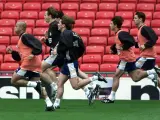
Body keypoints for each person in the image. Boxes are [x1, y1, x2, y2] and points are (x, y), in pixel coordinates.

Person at [52, 15, 107, 108]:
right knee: (60, 83)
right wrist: (75, 56)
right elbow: (82, 47)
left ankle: (95, 77)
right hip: (68, 62)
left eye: (60, 23)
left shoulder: (65, 33)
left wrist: (58, 50)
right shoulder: (74, 33)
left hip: (70, 63)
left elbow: (68, 45)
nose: (58, 24)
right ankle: (56, 104)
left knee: (75, 86)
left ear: (63, 25)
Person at [101, 16, 158, 103]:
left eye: (111, 24)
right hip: (128, 59)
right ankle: (151, 72)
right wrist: (114, 49)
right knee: (135, 78)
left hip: (126, 59)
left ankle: (111, 97)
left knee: (116, 76)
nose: (110, 25)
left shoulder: (121, 33)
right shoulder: (118, 34)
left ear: (115, 25)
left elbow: (130, 41)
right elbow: (123, 44)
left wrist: (122, 48)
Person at [6, 21, 54, 111]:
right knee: (38, 88)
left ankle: (33, 84)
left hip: (28, 63)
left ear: (21, 28)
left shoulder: (25, 36)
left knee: (14, 81)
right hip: (35, 64)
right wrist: (12, 52)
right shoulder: (22, 39)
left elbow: (38, 44)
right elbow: (19, 58)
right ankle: (49, 104)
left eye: (16, 26)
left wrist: (33, 53)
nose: (14, 28)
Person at [40, 7, 64, 99]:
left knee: (38, 69)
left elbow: (63, 37)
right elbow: (51, 43)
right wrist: (45, 40)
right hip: (56, 54)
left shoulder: (55, 25)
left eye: (45, 15)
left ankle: (54, 86)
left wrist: (57, 49)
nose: (44, 17)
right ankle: (88, 88)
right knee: (70, 76)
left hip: (56, 55)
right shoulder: (51, 26)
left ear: (50, 16)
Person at [134, 11, 160, 88]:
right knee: (156, 79)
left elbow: (154, 38)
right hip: (148, 57)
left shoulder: (144, 28)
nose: (133, 20)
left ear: (140, 19)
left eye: (135, 18)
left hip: (146, 56)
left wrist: (145, 45)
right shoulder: (140, 30)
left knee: (131, 70)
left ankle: (153, 72)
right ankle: (152, 74)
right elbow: (139, 45)